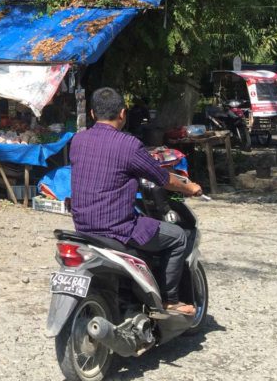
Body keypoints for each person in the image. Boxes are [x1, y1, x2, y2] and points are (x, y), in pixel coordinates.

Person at [69, 87, 204, 316]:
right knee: (179, 237)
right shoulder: (128, 145)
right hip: (117, 229)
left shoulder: (78, 141)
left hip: (82, 227)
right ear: (123, 113)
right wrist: (189, 187)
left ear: (92, 114)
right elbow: (163, 178)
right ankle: (170, 301)